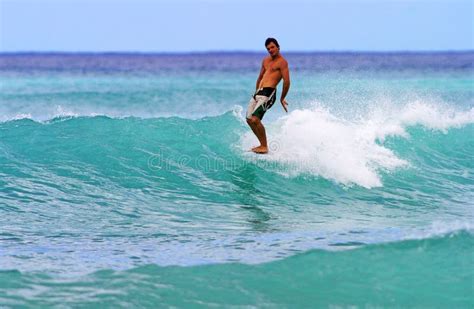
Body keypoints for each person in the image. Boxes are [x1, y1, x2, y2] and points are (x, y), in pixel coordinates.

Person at [246, 37, 290, 154]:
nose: (270, 50)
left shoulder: (282, 62)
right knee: (249, 119)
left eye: (272, 47)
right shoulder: (265, 60)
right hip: (259, 92)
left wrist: (282, 98)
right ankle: (261, 144)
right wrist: (256, 93)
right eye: (268, 48)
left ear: (278, 47)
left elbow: (286, 81)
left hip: (269, 92)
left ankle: (264, 146)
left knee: (255, 119)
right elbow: (260, 77)